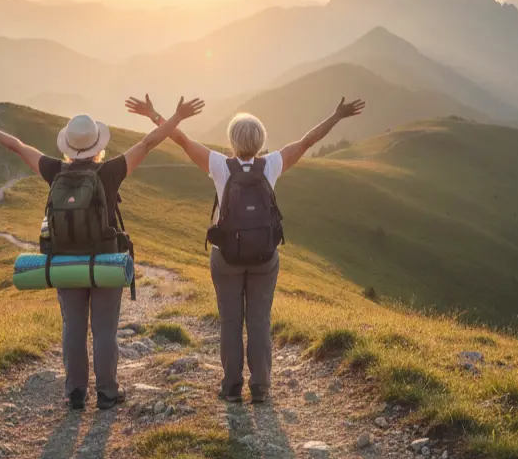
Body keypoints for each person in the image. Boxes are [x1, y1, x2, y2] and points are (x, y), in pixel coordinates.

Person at [0, 98, 204, 410]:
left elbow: (18, 147)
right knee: (104, 329)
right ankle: (107, 393)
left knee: (72, 326)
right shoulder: (110, 171)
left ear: (68, 147)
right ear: (98, 146)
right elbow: (149, 142)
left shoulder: (54, 170)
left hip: (64, 263)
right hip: (104, 263)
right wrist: (176, 116)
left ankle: (75, 393)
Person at [126, 95, 365, 403]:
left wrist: (155, 114)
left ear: (232, 141)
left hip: (225, 256)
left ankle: (231, 386)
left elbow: (181, 140)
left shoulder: (219, 165)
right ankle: (261, 387)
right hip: (265, 256)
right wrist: (337, 115)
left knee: (230, 321)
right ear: (261, 141)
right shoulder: (272, 165)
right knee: (259, 320)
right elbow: (307, 141)